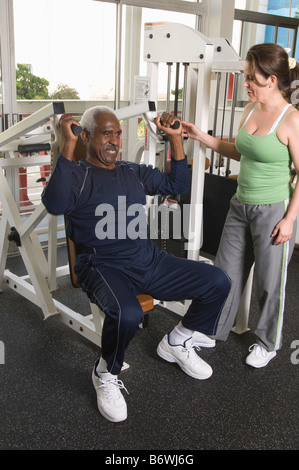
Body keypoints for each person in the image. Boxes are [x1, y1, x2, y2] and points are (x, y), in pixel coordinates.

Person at [42, 106, 231, 422]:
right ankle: (105, 372)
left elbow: (176, 185)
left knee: (217, 281)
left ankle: (177, 341)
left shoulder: (131, 170)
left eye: (118, 133)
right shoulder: (77, 174)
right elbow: (55, 203)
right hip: (101, 266)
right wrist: (67, 143)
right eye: (106, 133)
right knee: (128, 312)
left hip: (148, 260)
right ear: (86, 136)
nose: (115, 140)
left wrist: (174, 139)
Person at [182, 43, 299, 369]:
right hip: (240, 204)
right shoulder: (250, 110)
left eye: (251, 78)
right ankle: (214, 330)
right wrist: (201, 136)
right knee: (224, 275)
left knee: (269, 282)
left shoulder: (291, 120)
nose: (245, 83)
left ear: (272, 80)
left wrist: (290, 219)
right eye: (246, 76)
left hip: (274, 210)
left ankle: (268, 342)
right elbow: (240, 151)